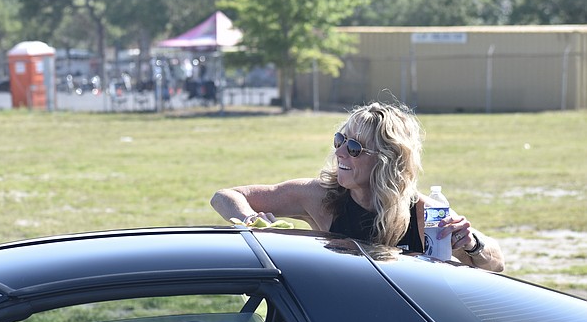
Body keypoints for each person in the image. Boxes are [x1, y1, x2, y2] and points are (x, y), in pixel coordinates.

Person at [210, 101, 505, 272]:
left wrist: (471, 244)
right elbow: (225, 196)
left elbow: (495, 263)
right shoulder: (320, 197)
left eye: (353, 147)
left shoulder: (422, 210)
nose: (339, 152)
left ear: (387, 160)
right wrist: (251, 221)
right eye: (339, 140)